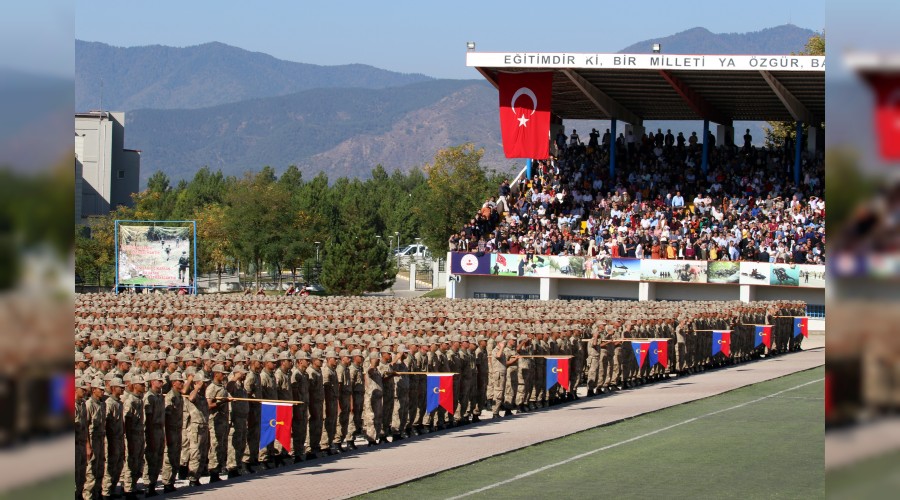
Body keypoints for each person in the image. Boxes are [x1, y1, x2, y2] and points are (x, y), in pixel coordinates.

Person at [161, 372, 184, 493]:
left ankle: (172, 480)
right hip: (171, 430)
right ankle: (166, 482)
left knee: (176, 457)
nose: (182, 383)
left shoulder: (178, 395)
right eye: (180, 381)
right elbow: (167, 416)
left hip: (177, 429)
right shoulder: (170, 396)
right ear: (173, 383)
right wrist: (167, 434)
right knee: (169, 458)